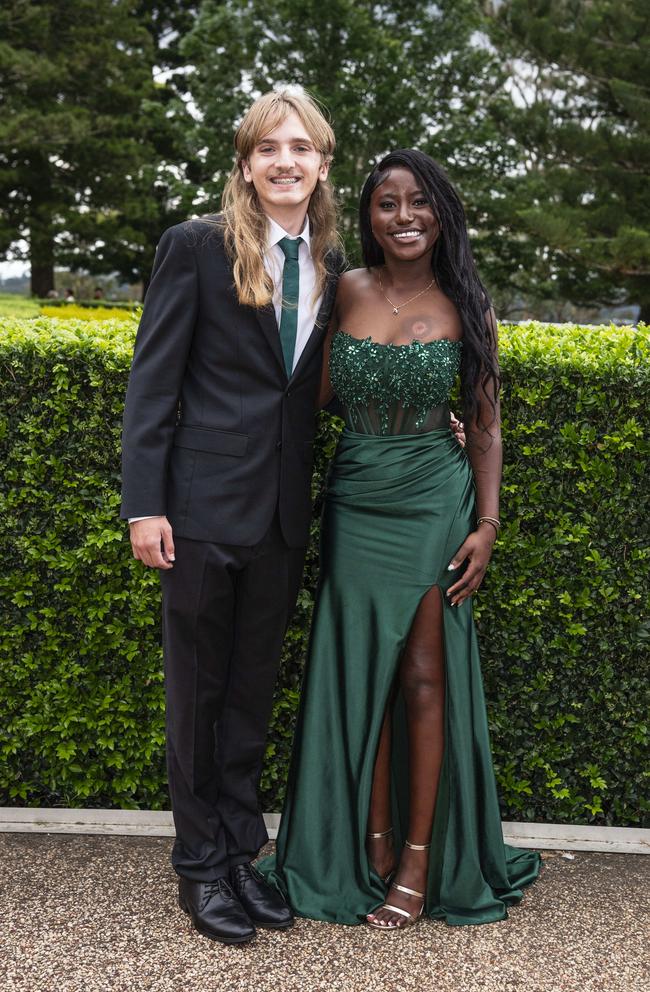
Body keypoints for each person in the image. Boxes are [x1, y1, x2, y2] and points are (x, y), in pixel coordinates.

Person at [259, 150, 541, 928]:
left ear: (442, 213)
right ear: (369, 216)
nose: (405, 216)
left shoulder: (468, 303)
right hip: (356, 500)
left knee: (423, 675)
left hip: (433, 503)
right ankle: (369, 843)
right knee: (363, 676)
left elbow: (484, 425)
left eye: (420, 202)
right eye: (388, 203)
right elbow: (304, 398)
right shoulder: (343, 290)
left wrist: (487, 523)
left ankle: (419, 859)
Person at [120, 88, 344, 945]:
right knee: (197, 700)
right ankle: (198, 869)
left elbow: (317, 384)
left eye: (301, 147)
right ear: (246, 165)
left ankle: (241, 856)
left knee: (251, 698)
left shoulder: (330, 259)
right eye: (267, 149)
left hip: (284, 518)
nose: (285, 161)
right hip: (200, 514)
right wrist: (146, 504)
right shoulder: (196, 249)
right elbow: (153, 386)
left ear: (323, 163)